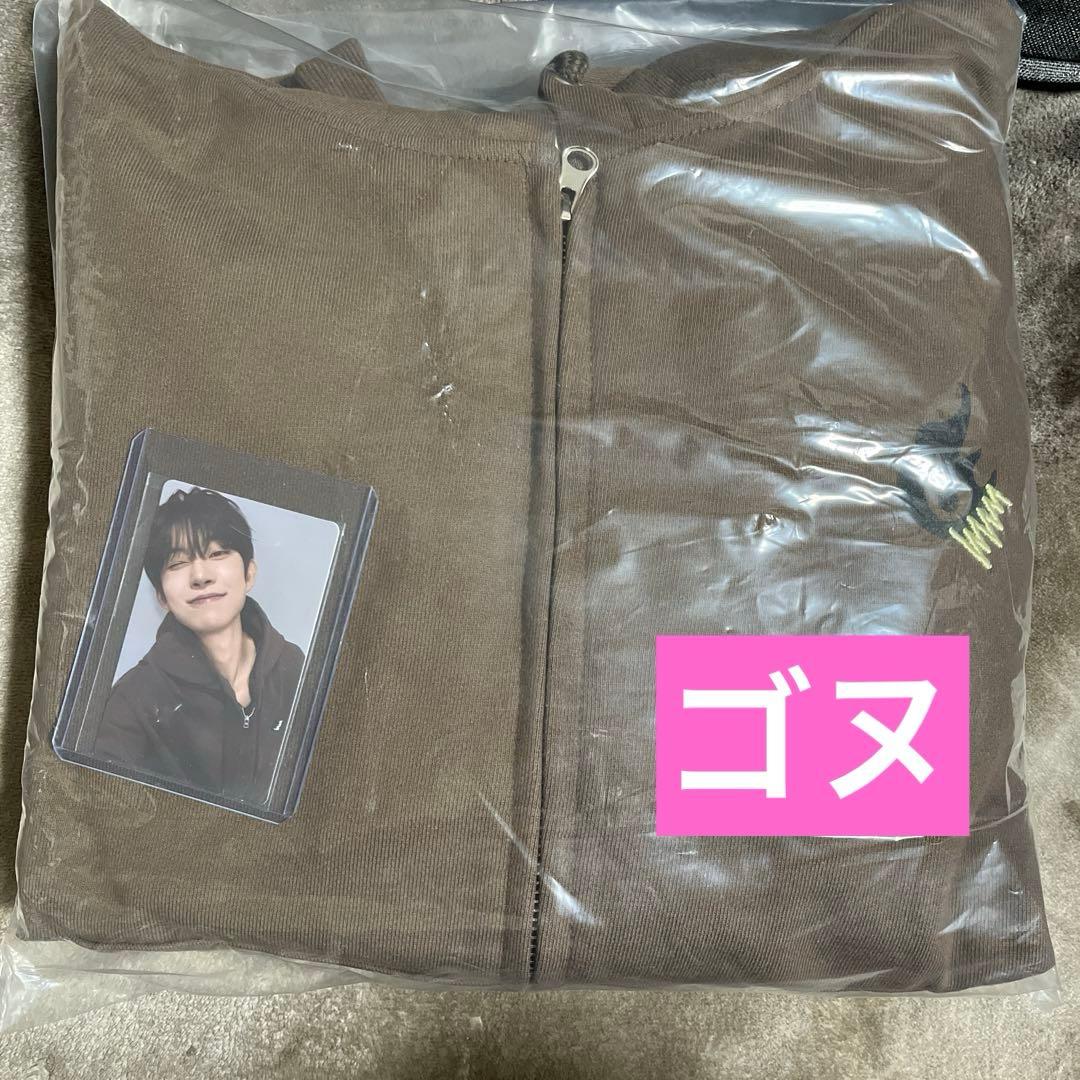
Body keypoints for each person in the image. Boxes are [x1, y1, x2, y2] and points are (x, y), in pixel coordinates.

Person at [94, 486, 305, 805]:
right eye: (177, 563)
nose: (201, 576)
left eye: (217, 554)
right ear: (162, 596)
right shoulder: (132, 702)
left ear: (249, 574)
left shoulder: (295, 668)